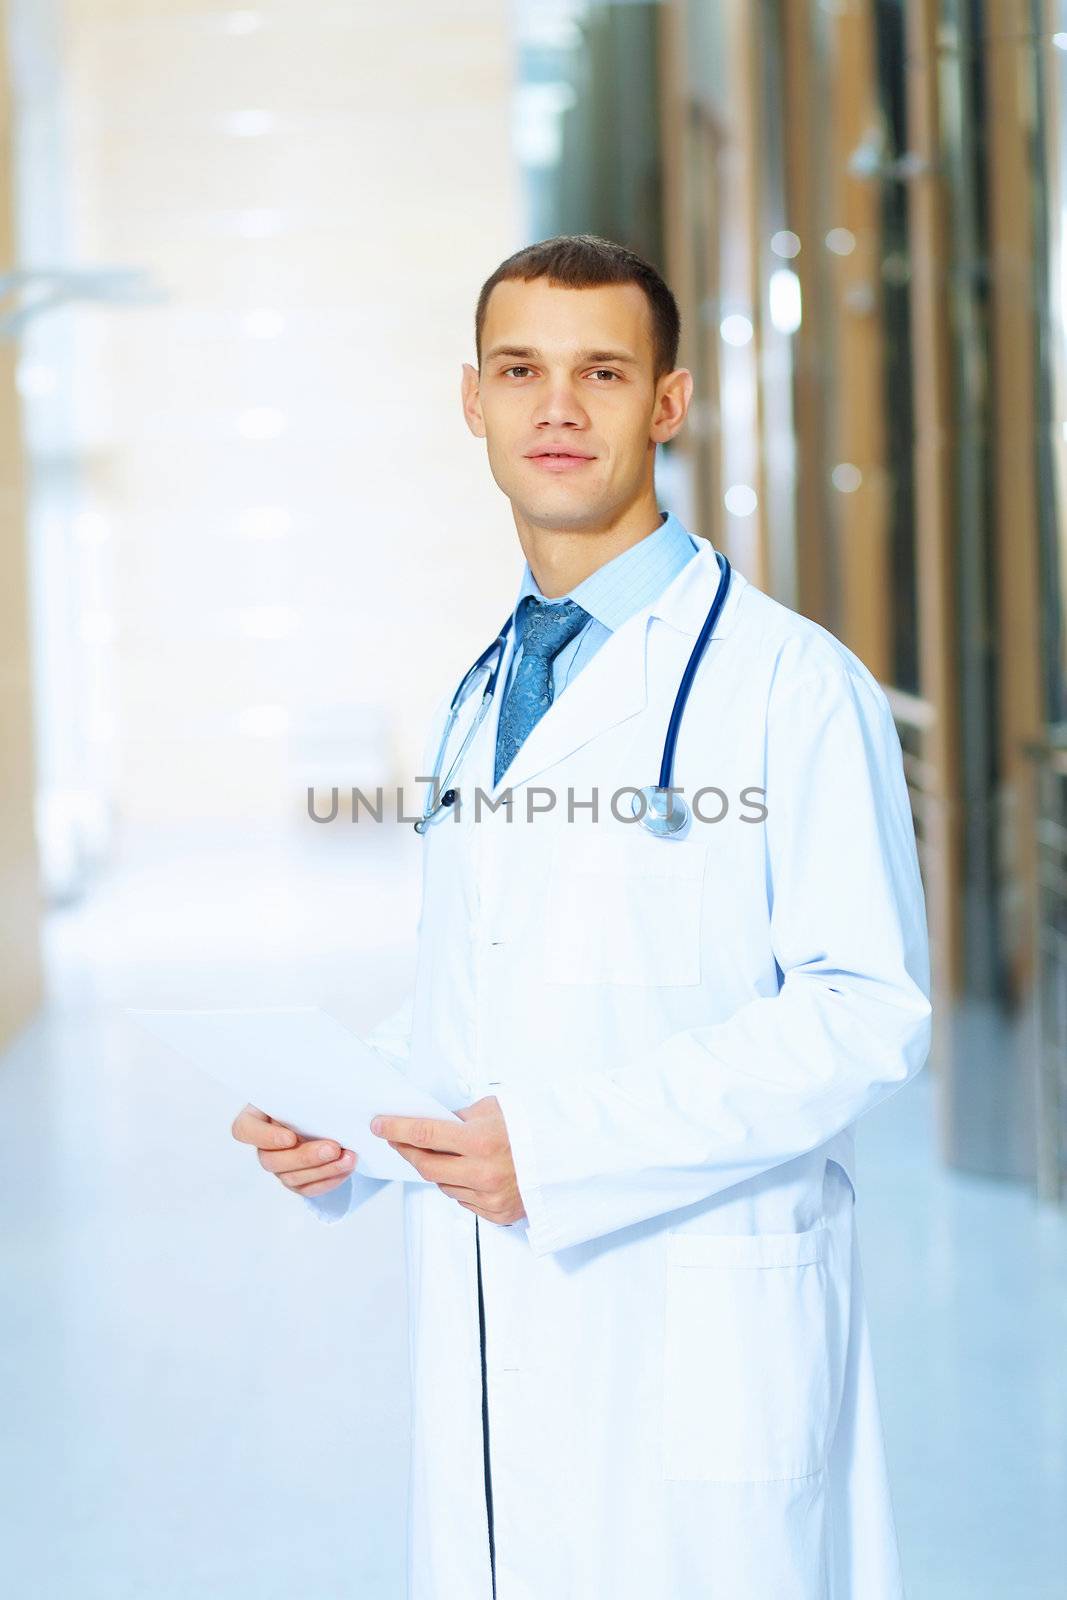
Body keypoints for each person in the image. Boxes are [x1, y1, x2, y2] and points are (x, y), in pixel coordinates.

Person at [232, 233, 932, 1600]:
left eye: (601, 372)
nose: (557, 408)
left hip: (700, 1331)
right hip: (504, 1338)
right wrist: (352, 1121)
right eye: (521, 370)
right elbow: (496, 994)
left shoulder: (789, 685)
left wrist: (557, 1148)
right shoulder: (490, 687)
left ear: (666, 403)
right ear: (473, 400)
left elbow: (866, 1014)